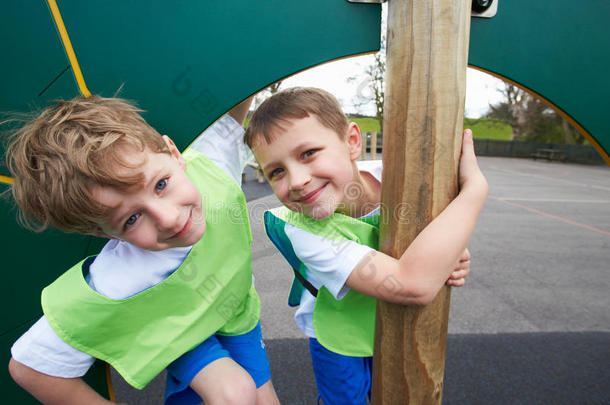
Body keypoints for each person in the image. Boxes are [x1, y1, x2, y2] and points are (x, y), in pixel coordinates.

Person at [5, 95, 280, 405]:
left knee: (265, 399)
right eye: (132, 219)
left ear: (174, 154)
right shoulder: (117, 279)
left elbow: (233, 109)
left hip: (234, 304)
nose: (169, 218)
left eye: (161, 184)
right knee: (233, 393)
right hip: (176, 325)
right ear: (102, 232)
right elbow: (28, 368)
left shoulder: (212, 165)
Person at [243, 87, 488, 405]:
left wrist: (450, 257)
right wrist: (475, 190)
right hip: (339, 325)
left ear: (352, 143)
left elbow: (438, 240)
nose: (297, 180)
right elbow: (413, 284)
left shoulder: (402, 180)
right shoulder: (302, 231)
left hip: (391, 316)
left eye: (308, 154)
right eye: (276, 171)